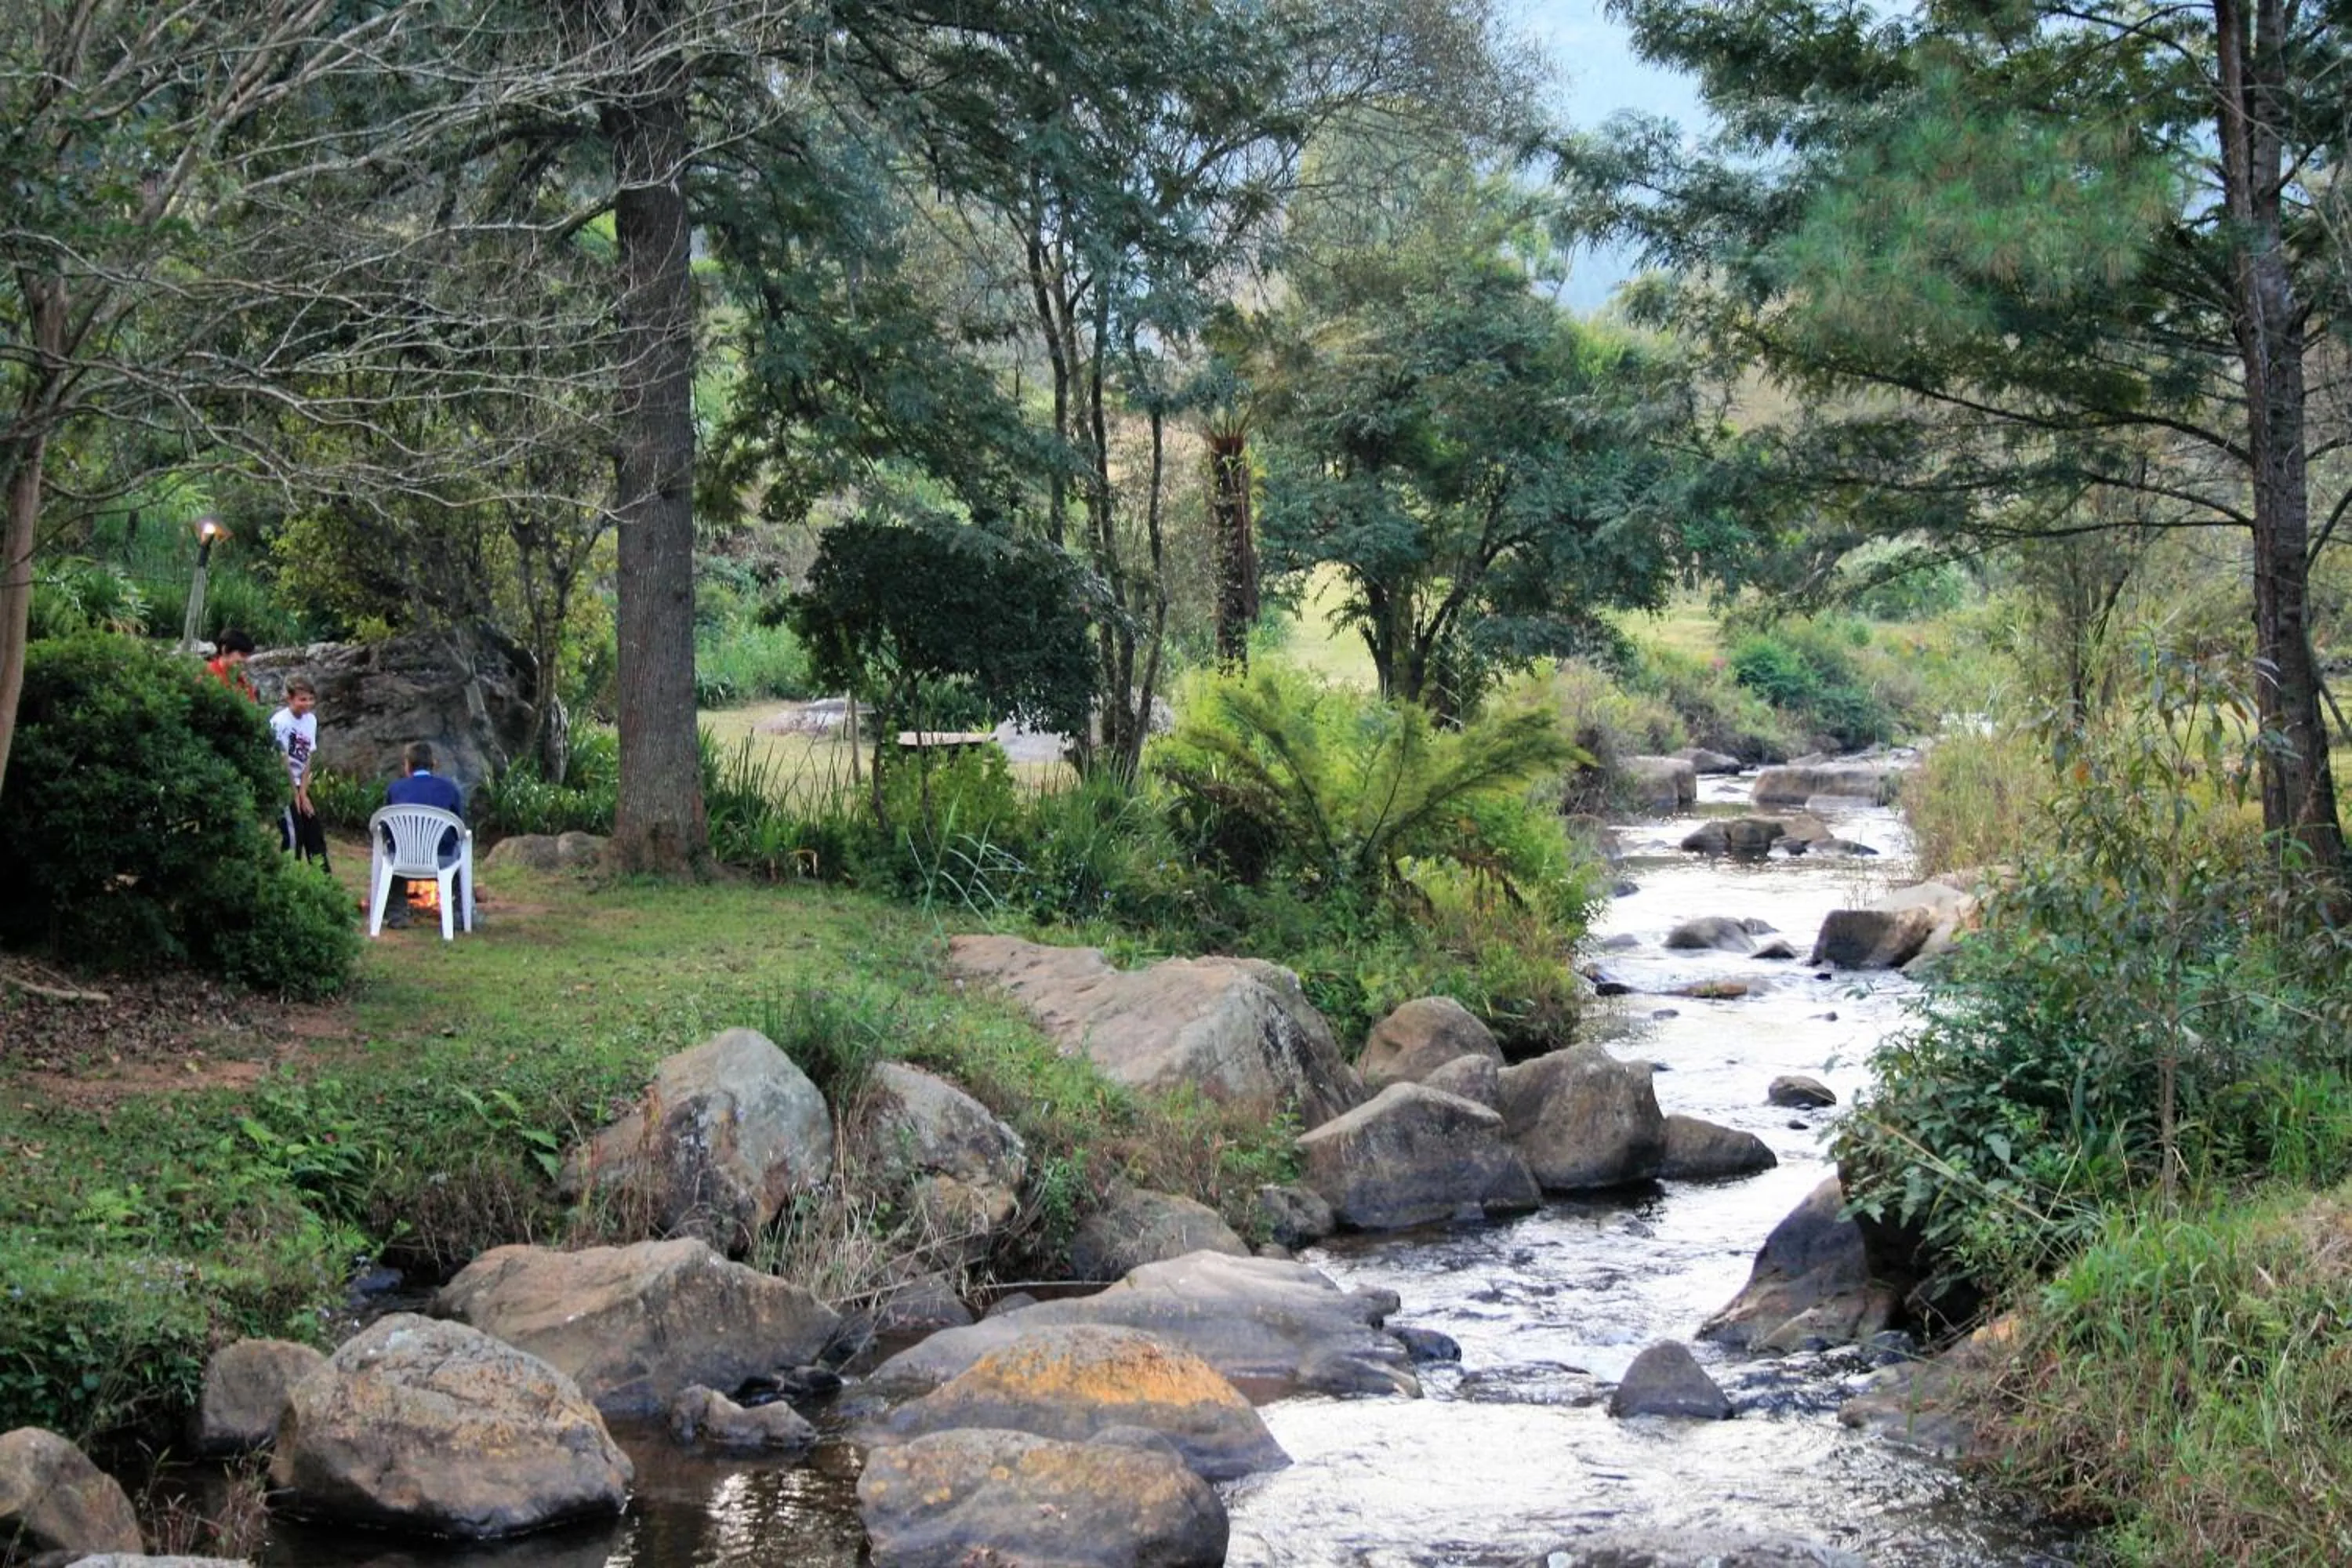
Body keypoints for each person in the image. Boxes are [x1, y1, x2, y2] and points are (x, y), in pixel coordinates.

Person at [382, 741, 466, 927]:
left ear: (407, 765)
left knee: (394, 852)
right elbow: (459, 826)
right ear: (434, 764)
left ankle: (396, 914)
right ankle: (460, 913)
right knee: (462, 855)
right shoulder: (450, 789)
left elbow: (385, 826)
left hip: (402, 858)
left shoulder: (395, 789)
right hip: (441, 859)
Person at [269, 677, 331, 872]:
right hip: (282, 782)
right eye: (302, 700)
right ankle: (289, 880)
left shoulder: (311, 720)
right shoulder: (280, 722)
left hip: (299, 783)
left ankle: (324, 883)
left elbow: (308, 757)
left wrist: (303, 792)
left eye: (311, 699)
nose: (307, 704)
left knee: (314, 833)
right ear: (290, 699)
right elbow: (282, 760)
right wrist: (294, 794)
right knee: (294, 834)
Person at [205, 630, 258, 702]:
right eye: (242, 655)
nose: (245, 660)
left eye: (247, 656)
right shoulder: (210, 673)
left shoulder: (238, 675)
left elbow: (252, 703)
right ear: (225, 649)